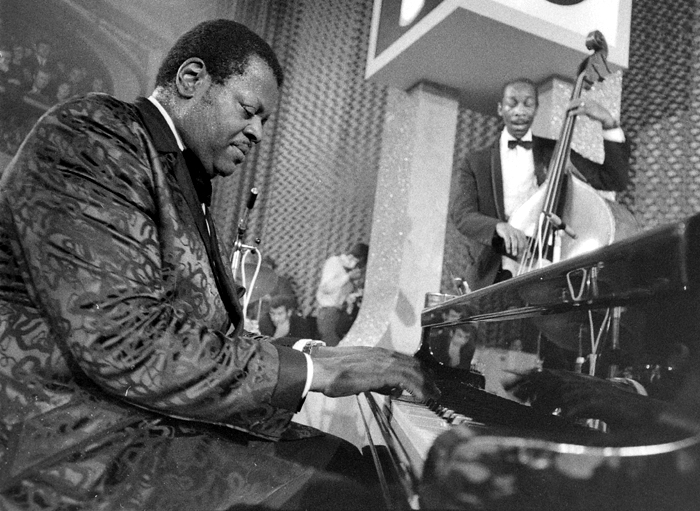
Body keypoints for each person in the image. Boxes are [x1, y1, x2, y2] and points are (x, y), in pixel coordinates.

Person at [0, 20, 438, 510]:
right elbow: (124, 340)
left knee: (363, 467)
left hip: (143, 422)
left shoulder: (179, 170)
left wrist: (310, 355)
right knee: (350, 493)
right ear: (191, 79)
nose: (257, 133)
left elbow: (198, 330)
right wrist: (311, 371)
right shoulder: (92, 134)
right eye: (248, 111)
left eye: (264, 121)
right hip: (73, 448)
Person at [450, 78, 630, 291]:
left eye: (527, 104)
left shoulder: (556, 152)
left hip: (549, 265)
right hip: (493, 272)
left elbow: (613, 179)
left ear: (536, 108)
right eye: (512, 103)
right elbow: (462, 215)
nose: (519, 111)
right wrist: (497, 227)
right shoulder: (475, 161)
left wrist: (608, 122)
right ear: (500, 108)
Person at [315, 242, 369, 346]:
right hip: (328, 314)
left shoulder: (348, 271)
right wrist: (348, 277)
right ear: (359, 260)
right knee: (333, 349)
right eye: (360, 266)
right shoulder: (334, 262)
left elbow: (340, 295)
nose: (359, 270)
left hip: (339, 313)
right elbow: (326, 288)